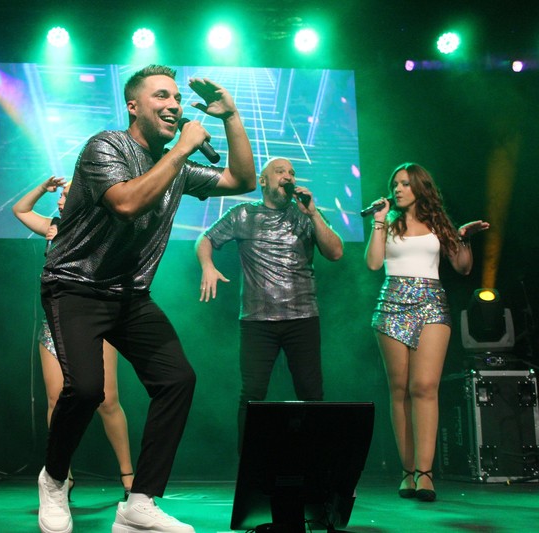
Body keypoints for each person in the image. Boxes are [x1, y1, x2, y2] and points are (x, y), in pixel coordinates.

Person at [36, 64, 256, 533]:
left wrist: (231, 116)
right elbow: (126, 203)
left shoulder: (176, 166)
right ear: (133, 106)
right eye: (161, 96)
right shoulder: (106, 146)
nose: (174, 105)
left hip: (129, 294)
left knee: (177, 380)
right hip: (74, 285)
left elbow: (243, 181)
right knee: (87, 390)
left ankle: (139, 501)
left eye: (176, 97)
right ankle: (53, 480)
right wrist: (181, 150)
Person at [195, 156, 344, 452]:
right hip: (257, 322)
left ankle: (315, 466)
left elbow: (336, 252)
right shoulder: (243, 214)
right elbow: (205, 239)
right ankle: (248, 466)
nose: (288, 176)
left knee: (311, 393)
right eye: (280, 171)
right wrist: (208, 266)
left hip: (302, 318)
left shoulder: (305, 214)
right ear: (263, 181)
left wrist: (314, 214)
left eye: (291, 172)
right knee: (252, 393)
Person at [364, 162, 488, 502]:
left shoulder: (438, 222)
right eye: (395, 184)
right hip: (392, 302)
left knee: (424, 387)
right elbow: (373, 264)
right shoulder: (388, 221)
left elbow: (463, 267)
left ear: (420, 187)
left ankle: (425, 473)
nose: (398, 189)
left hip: (431, 302)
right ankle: (407, 472)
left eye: (405, 183)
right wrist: (378, 221)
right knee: (400, 389)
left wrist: (463, 238)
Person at [12, 175, 134, 498]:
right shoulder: (54, 226)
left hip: (95, 320)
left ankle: (128, 474)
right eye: (61, 195)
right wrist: (43, 188)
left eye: (67, 195)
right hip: (55, 323)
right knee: (57, 400)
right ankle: (61, 474)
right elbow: (20, 210)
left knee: (107, 400)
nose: (61, 200)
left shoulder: (103, 225)